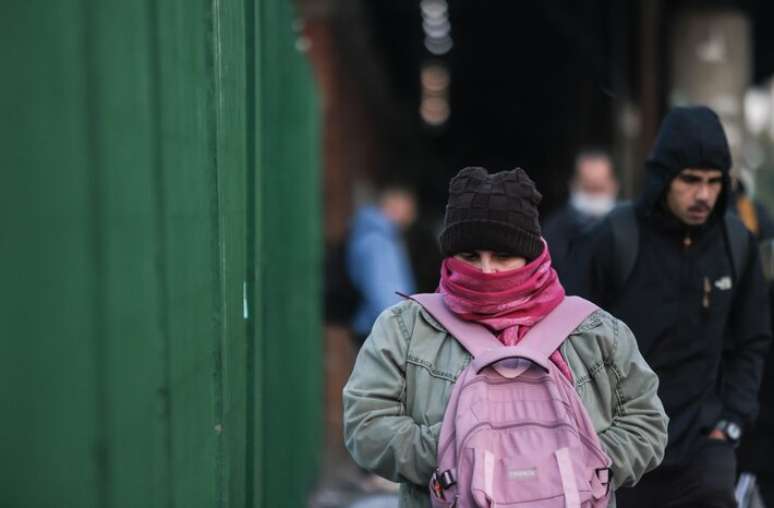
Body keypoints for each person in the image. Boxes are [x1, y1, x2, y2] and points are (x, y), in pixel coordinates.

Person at [343, 166, 668, 507]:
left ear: (531, 254)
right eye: (469, 256)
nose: (486, 270)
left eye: (502, 256)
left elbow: (647, 424)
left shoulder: (597, 333)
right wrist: (452, 451)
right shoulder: (404, 329)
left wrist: (582, 459)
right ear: (449, 255)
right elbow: (365, 425)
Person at [578, 106, 772, 507]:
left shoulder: (736, 245)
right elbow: (573, 340)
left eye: (714, 182)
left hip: (705, 449)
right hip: (624, 451)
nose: (703, 194)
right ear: (665, 177)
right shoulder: (615, 238)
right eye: (690, 180)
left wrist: (732, 421)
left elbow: (752, 340)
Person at [347, 183, 417, 346]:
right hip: (381, 327)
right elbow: (381, 288)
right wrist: (400, 327)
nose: (411, 216)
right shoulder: (378, 241)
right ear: (394, 205)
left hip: (376, 324)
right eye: (408, 207)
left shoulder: (377, 235)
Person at [543, 149, 618, 288]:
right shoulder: (552, 233)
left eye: (599, 188)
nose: (594, 197)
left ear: (613, 185)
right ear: (573, 185)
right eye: (588, 188)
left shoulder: (631, 229)